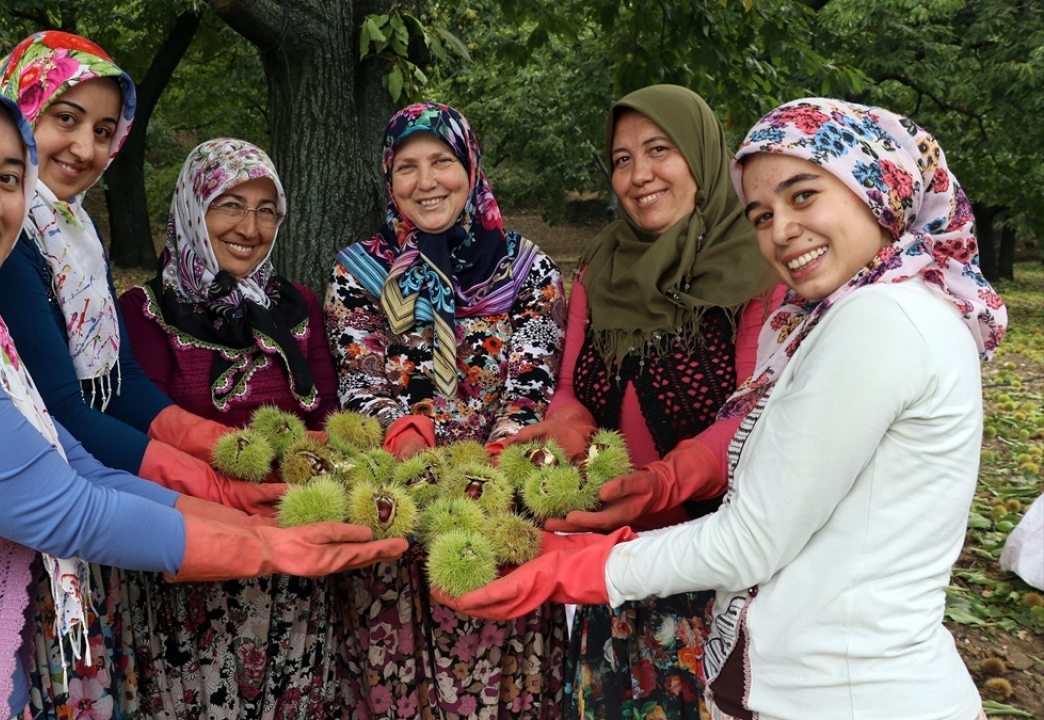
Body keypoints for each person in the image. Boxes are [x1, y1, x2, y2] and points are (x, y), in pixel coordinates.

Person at [0, 78, 405, 720]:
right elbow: (60, 508)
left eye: (12, 177)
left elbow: (71, 459)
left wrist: (239, 513)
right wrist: (264, 545)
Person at [441, 98, 1007, 720]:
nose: (781, 230)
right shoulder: (851, 314)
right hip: (814, 679)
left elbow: (750, 538)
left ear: (874, 184)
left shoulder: (880, 319)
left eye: (803, 195)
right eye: (760, 213)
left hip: (850, 693)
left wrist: (580, 561)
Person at [0, 32, 364, 719]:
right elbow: (65, 407)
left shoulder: (72, 240)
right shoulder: (8, 246)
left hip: (106, 502)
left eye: (103, 129)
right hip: (41, 520)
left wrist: (228, 459)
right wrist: (215, 489)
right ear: (14, 111)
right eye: (64, 118)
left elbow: (119, 387)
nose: (86, 148)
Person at [497, 84, 778, 720]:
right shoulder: (601, 268)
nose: (639, 174)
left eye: (659, 150)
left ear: (701, 158)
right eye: (622, 159)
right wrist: (564, 426)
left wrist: (666, 481)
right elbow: (573, 388)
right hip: (611, 562)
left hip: (713, 568)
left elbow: (752, 417)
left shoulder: (757, 268)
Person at [325, 102, 566, 719]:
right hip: (397, 504)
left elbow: (532, 383)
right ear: (388, 177)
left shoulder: (527, 267)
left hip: (495, 506)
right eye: (407, 166)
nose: (425, 181)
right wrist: (415, 455)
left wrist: (488, 470)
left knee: (492, 686)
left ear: (471, 167)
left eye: (442, 162)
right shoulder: (359, 271)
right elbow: (359, 382)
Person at [117, 138, 341, 718]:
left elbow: (323, 419)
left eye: (267, 209)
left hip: (293, 544)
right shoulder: (147, 310)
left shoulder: (299, 306)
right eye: (230, 204)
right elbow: (150, 431)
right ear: (194, 207)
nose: (250, 225)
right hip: (196, 545)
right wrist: (231, 498)